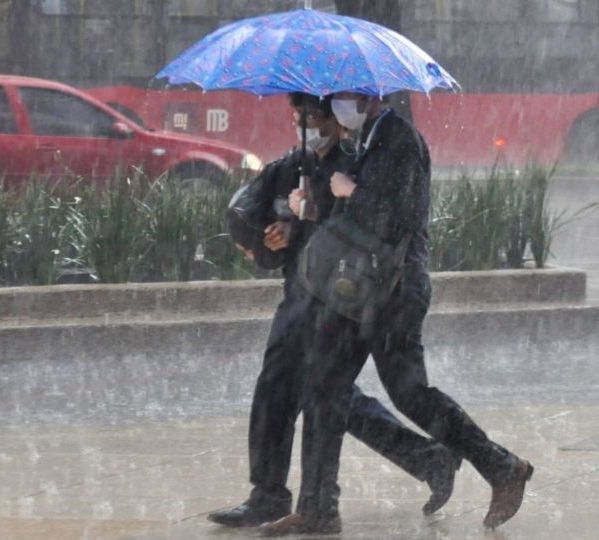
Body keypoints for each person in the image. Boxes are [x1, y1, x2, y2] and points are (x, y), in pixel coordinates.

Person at [260, 93, 534, 536]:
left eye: (345, 96)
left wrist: (353, 191)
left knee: (410, 393)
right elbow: (357, 223)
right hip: (361, 289)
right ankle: (317, 508)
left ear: (368, 97)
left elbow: (396, 218)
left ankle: (501, 466)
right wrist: (313, 207)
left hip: (396, 290)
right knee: (323, 385)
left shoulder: (399, 139)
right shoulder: (366, 140)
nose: (336, 106)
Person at [209, 93, 460, 531]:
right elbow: (259, 213)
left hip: (337, 295)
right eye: (297, 117)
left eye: (312, 117)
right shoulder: (294, 164)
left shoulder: (356, 161)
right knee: (277, 386)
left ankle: (422, 460)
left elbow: (364, 225)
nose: (305, 125)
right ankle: (268, 493)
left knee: (327, 394)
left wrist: (315, 211)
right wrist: (278, 231)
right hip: (299, 293)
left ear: (333, 119)